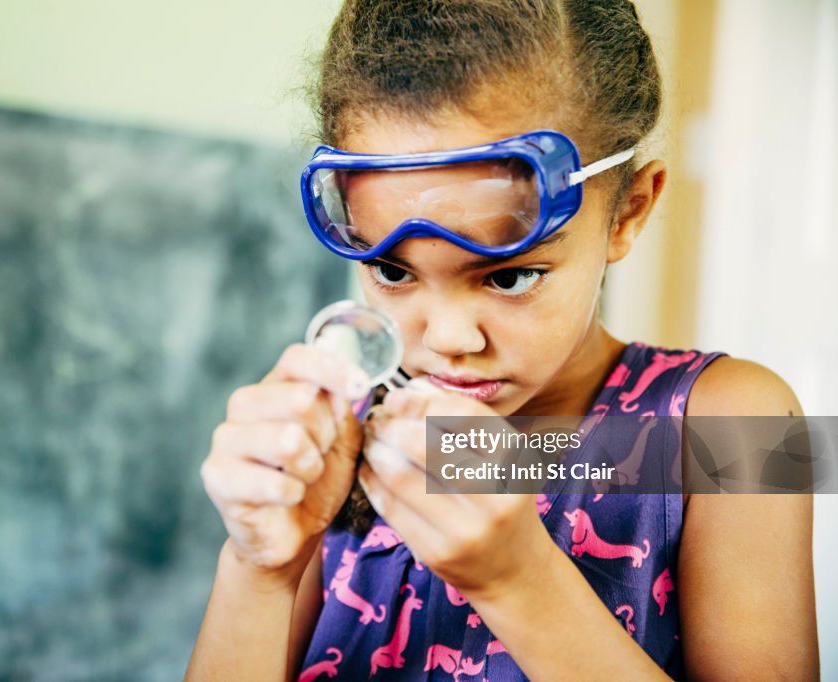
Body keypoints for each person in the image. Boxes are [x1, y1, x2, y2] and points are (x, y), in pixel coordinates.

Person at [185, 1, 818, 679]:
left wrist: (517, 582)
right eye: (392, 271)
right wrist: (259, 569)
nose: (449, 339)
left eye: (511, 276)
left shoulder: (743, 426)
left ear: (628, 213)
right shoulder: (338, 435)